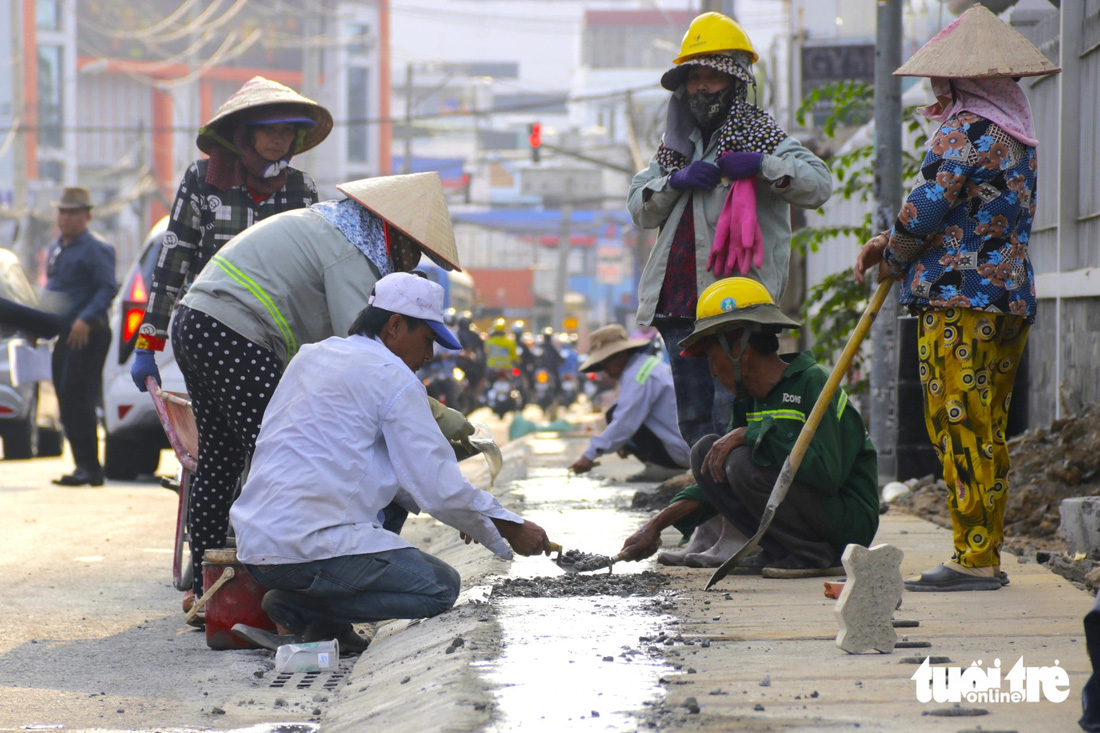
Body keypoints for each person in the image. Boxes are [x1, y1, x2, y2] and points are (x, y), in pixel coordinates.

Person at [131, 172, 463, 606]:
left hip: (198, 322)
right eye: (411, 249)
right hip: (234, 331)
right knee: (280, 454)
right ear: (392, 232)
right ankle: (262, 584)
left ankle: (207, 591)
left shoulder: (330, 224)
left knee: (220, 458)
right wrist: (431, 418)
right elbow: (365, 356)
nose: (409, 260)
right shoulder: (349, 252)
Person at [227, 273, 552, 651]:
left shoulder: (312, 356)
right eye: (427, 340)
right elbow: (437, 486)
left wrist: (473, 518)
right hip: (303, 547)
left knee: (396, 503)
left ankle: (327, 626)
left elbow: (401, 480)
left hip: (254, 543)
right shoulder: (395, 378)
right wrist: (508, 526)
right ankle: (297, 608)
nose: (429, 356)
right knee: (440, 587)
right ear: (395, 325)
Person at [853, 5, 1058, 592]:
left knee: (958, 424)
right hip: (1009, 296)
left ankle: (974, 559)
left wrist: (892, 256)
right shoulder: (1017, 138)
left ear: (957, 79)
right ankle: (983, 550)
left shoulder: (965, 129)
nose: (935, 90)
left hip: (958, 299)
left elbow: (924, 210)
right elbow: (969, 214)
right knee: (985, 425)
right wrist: (889, 243)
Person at [628, 11, 832, 449]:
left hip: (737, 307)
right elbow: (638, 207)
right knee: (696, 422)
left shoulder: (763, 137)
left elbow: (818, 185)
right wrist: (675, 181)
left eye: (713, 76)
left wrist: (761, 165)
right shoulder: (674, 149)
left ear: (737, 82)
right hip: (677, 304)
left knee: (733, 416)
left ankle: (735, 509)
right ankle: (709, 509)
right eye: (694, 77)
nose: (701, 86)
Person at [619, 278, 879, 578]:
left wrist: (750, 434)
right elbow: (713, 482)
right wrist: (654, 526)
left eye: (712, 358)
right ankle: (781, 549)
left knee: (740, 459)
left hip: (847, 519)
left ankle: (814, 553)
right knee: (707, 451)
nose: (713, 372)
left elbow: (826, 473)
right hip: (807, 509)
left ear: (738, 348)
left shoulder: (814, 382)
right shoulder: (749, 400)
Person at [132, 76, 331, 358]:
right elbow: (172, 263)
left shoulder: (302, 188)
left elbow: (311, 272)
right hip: (208, 325)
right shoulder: (202, 179)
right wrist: (147, 347)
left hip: (276, 333)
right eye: (268, 130)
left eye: (287, 131)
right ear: (246, 134)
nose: (278, 139)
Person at [40, 188, 118, 486]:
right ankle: (82, 465)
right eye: (62, 211)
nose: (65, 217)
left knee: (78, 396)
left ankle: (90, 467)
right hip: (63, 333)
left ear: (87, 215)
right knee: (65, 396)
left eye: (72, 212)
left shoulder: (96, 248)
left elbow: (107, 287)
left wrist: (86, 318)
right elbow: (54, 293)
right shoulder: (57, 247)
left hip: (89, 333)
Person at [569, 324, 690, 483]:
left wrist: (589, 455)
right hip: (684, 446)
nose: (605, 370)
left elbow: (624, 422)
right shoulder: (647, 365)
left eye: (605, 363)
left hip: (678, 452)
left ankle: (665, 467)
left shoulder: (639, 377)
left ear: (619, 356)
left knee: (614, 414)